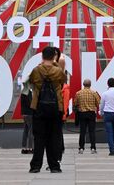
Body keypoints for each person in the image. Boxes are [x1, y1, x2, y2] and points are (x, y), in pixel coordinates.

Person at [26, 45, 68, 174]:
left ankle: (35, 166)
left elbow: (31, 83)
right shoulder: (58, 71)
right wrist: (55, 64)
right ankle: (54, 166)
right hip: (56, 107)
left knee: (39, 138)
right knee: (53, 137)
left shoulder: (36, 70)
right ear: (54, 57)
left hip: (38, 106)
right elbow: (63, 82)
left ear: (42, 56)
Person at [72, 79, 100, 154]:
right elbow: (98, 104)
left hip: (82, 114)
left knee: (82, 132)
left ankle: (81, 148)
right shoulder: (94, 93)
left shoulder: (78, 93)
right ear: (90, 85)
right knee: (92, 132)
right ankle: (93, 148)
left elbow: (75, 103)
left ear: (83, 84)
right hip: (91, 114)